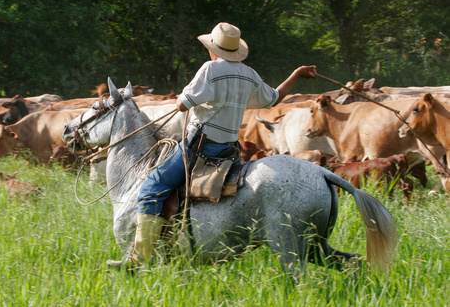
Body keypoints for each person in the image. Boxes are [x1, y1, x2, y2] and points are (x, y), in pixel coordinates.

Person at [108, 22, 316, 268]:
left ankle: (138, 259)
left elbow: (181, 105)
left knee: (153, 186)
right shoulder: (249, 73)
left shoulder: (210, 69)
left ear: (212, 48)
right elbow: (273, 98)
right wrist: (296, 75)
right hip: (229, 150)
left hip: (199, 147)